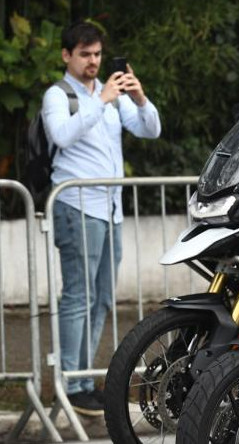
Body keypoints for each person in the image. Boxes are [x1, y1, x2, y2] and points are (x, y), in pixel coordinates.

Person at [42, 22, 162, 415]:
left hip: (109, 208)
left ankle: (83, 379)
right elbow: (61, 135)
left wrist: (140, 97)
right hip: (76, 204)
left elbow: (150, 130)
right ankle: (72, 382)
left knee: (102, 299)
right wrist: (102, 100)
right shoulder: (58, 96)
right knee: (79, 296)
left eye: (97, 54)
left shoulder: (111, 95)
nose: (93, 61)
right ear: (66, 56)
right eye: (84, 54)